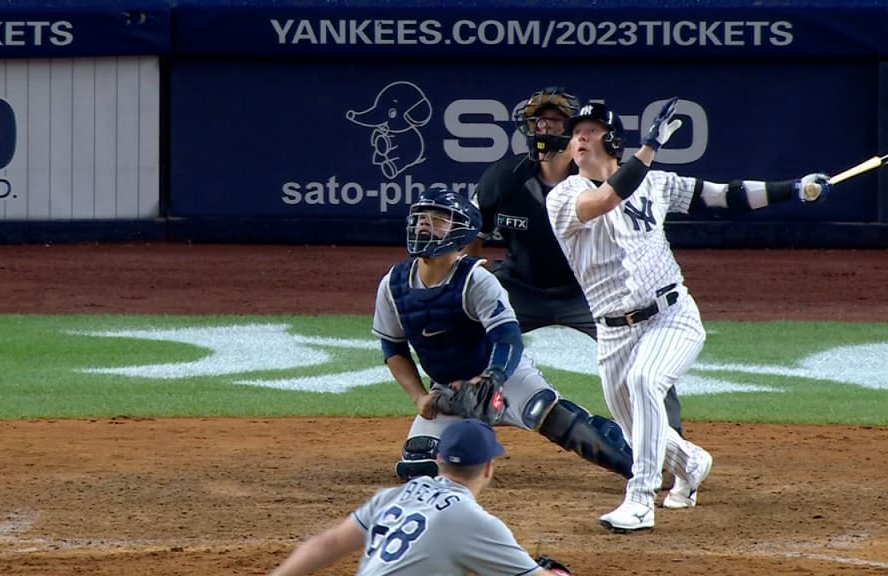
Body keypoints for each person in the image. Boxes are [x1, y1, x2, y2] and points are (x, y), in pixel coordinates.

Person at [545, 97, 832, 532]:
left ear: (613, 139)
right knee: (633, 425)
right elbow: (602, 201)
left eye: (591, 129)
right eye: (576, 132)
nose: (579, 137)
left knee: (646, 383)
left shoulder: (656, 184)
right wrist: (648, 149)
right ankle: (692, 462)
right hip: (613, 333)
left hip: (670, 314)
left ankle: (640, 501)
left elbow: (723, 196)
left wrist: (794, 188)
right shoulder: (564, 196)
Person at [372, 186, 634, 483]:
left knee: (547, 414)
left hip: (503, 377)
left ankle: (643, 463)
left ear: (461, 233)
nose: (424, 224)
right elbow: (393, 348)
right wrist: (419, 397)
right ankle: (474, 451)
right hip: (449, 391)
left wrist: (492, 379)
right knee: (418, 467)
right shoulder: (393, 285)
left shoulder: (477, 280)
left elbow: (508, 338)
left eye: (438, 219)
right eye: (421, 217)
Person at [467, 86, 687, 437]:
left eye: (556, 122)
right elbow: (470, 235)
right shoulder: (503, 178)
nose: (544, 129)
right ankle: (454, 424)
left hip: (586, 292)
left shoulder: (591, 179)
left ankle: (669, 435)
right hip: (520, 285)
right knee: (466, 330)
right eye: (538, 121)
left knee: (641, 345)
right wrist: (474, 274)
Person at [267, 418, 572, 576]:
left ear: (438, 457)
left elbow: (326, 544)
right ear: (489, 466)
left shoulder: (394, 495)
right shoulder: (473, 522)